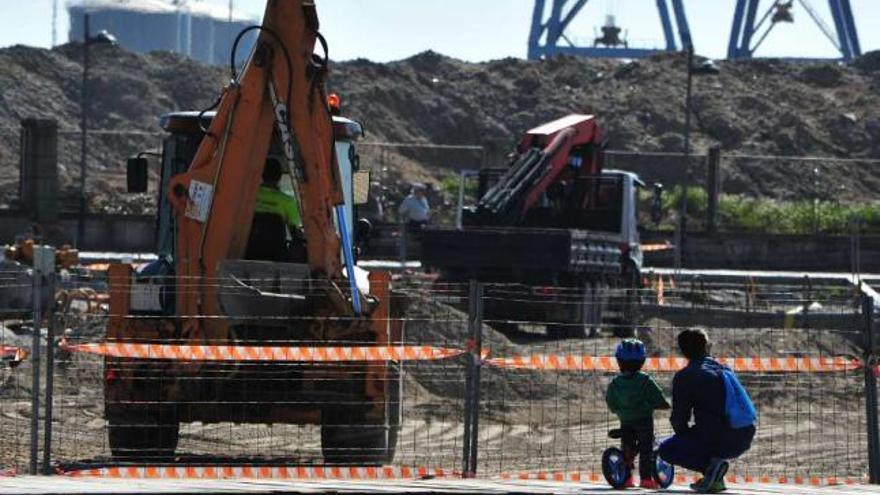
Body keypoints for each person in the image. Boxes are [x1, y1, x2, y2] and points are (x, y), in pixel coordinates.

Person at [658, 329, 756, 494]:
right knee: (707, 433)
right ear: (706, 347)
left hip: (716, 437)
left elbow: (679, 420)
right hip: (745, 434)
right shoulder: (724, 369)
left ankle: (710, 467)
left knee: (667, 449)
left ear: (682, 350)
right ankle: (714, 478)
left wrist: (684, 437)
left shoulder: (685, 376)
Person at [606, 339, 670, 489]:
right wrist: (664, 405)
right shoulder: (645, 380)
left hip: (625, 420)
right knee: (646, 448)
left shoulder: (615, 383)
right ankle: (646, 479)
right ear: (642, 361)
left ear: (619, 361)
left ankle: (626, 479)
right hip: (644, 420)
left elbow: (611, 402)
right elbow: (658, 397)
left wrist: (618, 410)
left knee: (627, 446)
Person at [247, 158, 304, 261]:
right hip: (276, 255)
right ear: (280, 176)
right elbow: (295, 233)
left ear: (262, 174)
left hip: (248, 251)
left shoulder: (249, 197)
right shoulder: (288, 202)